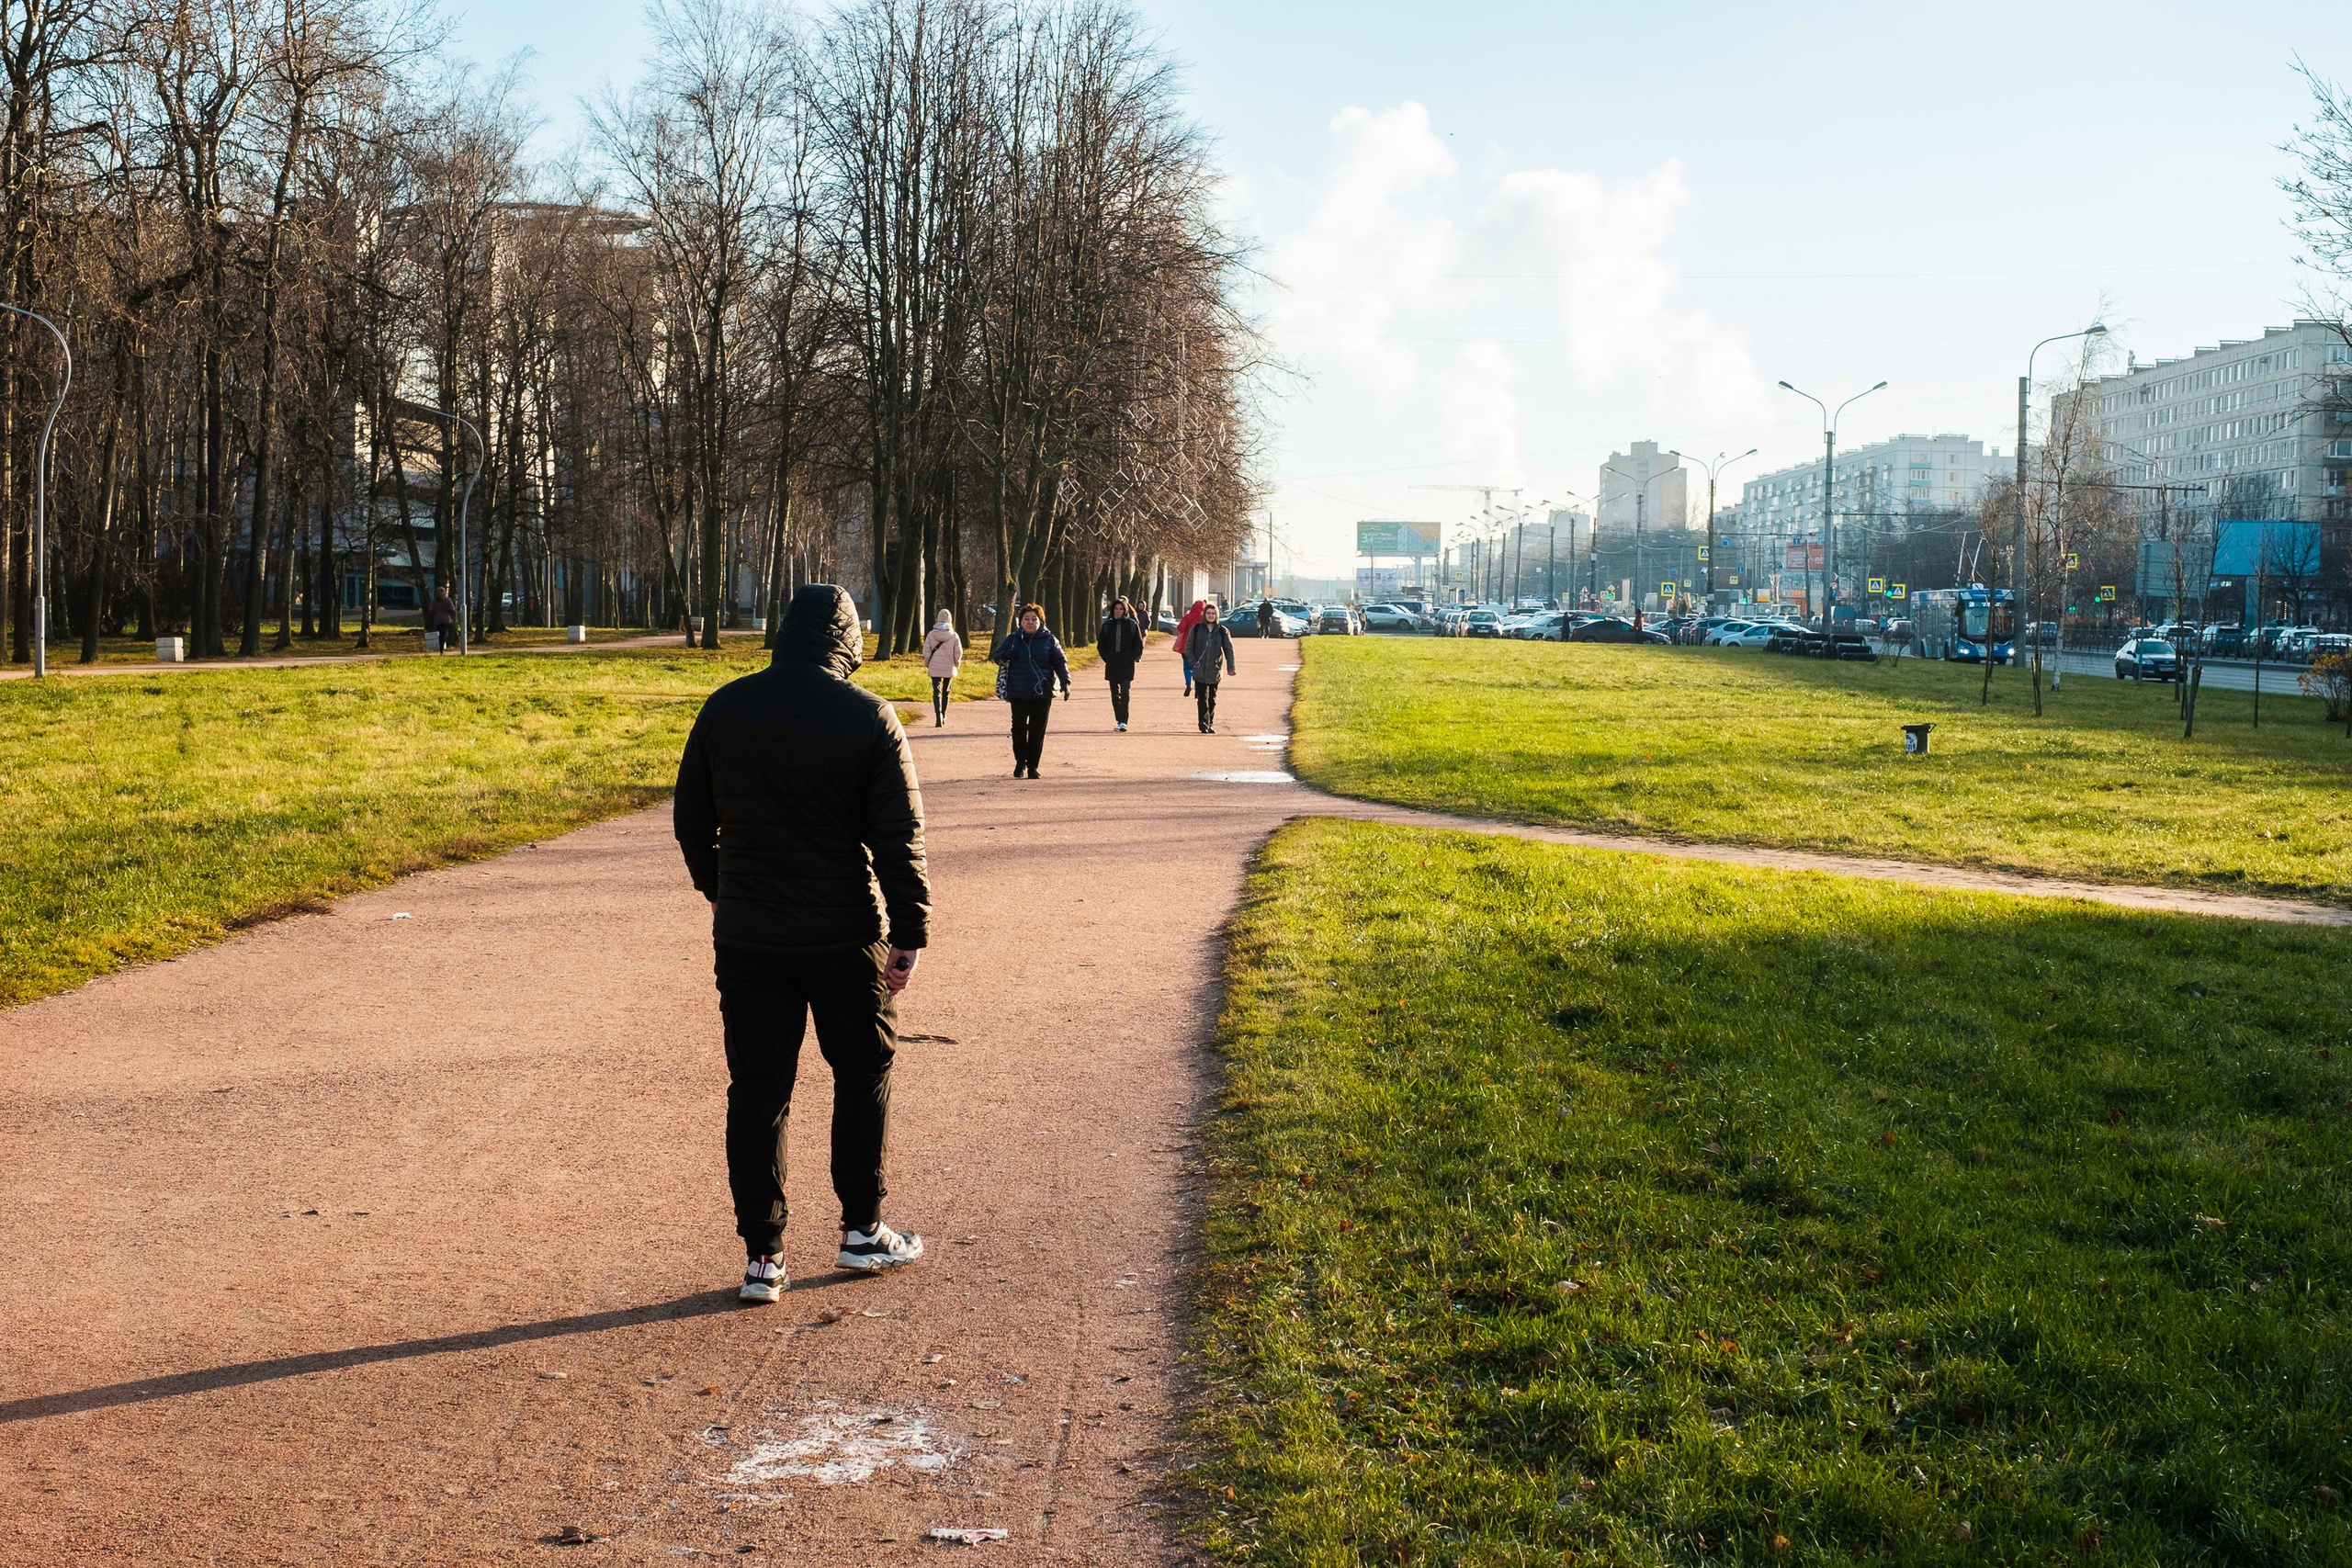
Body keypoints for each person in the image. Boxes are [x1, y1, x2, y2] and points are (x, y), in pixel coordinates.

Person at [673, 582, 931, 1303]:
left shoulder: (725, 707)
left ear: (785, 634)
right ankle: (861, 1229)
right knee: (864, 1067)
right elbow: (897, 839)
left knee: (759, 1088)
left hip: (750, 936)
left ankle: (763, 1257)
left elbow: (691, 818)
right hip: (843, 932)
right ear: (845, 640)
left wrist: (717, 888)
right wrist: (908, 933)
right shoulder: (869, 718)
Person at [991, 603, 1071, 779]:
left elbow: (1060, 661)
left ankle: (1033, 767)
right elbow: (996, 656)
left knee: (1037, 730)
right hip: (1018, 692)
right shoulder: (1012, 639)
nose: (1030, 622)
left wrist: (1065, 682)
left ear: (1040, 621)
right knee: (1018, 728)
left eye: (1034, 619)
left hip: (1042, 692)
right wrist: (1005, 655)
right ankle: (1020, 763)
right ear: (1020, 622)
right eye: (1026, 619)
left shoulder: (1049, 640)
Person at [1183, 600, 1238, 733]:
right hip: (1199, 669)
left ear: (1217, 615)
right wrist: (1193, 662)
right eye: (1208, 613)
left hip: (1214, 669)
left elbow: (1229, 649)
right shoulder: (1196, 629)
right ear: (1205, 614)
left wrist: (1231, 667)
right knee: (1202, 697)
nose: (1211, 615)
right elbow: (1188, 648)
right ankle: (1203, 722)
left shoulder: (1222, 631)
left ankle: (1210, 722)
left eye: (1213, 613)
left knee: (1212, 698)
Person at [1097, 596, 1146, 731]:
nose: (1118, 611)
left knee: (1125, 692)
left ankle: (1124, 720)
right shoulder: (1107, 625)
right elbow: (1101, 645)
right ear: (1113, 610)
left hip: (1126, 664)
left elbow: (1138, 644)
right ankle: (1119, 718)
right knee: (1114, 693)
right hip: (1112, 664)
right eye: (1116, 609)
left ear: (1125, 610)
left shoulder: (1131, 624)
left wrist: (1132, 657)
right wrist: (1108, 658)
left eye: (1121, 609)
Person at [922, 609, 963, 728]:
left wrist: (928, 662)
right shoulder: (954, 635)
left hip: (935, 666)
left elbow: (926, 651)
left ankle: (937, 715)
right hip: (949, 667)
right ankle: (944, 714)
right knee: (946, 692)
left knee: (936, 691)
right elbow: (958, 653)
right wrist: (956, 664)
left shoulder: (931, 634)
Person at [1171, 598, 1208, 695]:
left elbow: (1180, 628)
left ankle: (1188, 684)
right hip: (1200, 645)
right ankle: (1198, 687)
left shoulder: (1188, 617)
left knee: (1187, 666)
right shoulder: (1204, 617)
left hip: (1186, 646)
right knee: (1198, 666)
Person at [426, 585, 456, 652]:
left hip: (437, 619)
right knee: (443, 634)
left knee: (440, 634)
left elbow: (430, 609)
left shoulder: (434, 601)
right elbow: (452, 609)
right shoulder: (448, 600)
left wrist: (435, 611)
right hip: (446, 619)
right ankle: (442, 648)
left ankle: (441, 647)